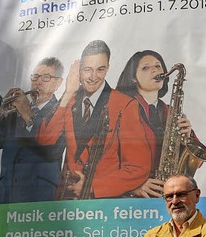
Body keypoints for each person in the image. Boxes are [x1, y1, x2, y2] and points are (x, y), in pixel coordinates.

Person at [37, 40, 151, 199]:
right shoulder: (69, 100)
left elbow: (138, 167)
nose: (93, 77)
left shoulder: (125, 105)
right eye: (87, 70)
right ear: (78, 70)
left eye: (100, 69)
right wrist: (68, 92)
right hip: (66, 204)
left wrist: (92, 186)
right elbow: (45, 139)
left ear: (108, 68)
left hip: (102, 204)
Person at [116, 50, 206, 198]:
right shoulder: (121, 110)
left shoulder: (172, 112)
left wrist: (188, 135)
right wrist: (133, 186)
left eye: (158, 66)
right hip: (132, 202)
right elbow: (105, 160)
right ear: (133, 78)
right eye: (146, 67)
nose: (155, 70)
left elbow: (197, 160)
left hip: (169, 197)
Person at [0, 57, 66, 204]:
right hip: (6, 200)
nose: (38, 82)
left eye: (46, 77)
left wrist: (27, 115)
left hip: (40, 201)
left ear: (58, 83)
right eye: (35, 77)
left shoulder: (62, 112)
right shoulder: (14, 116)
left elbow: (53, 150)